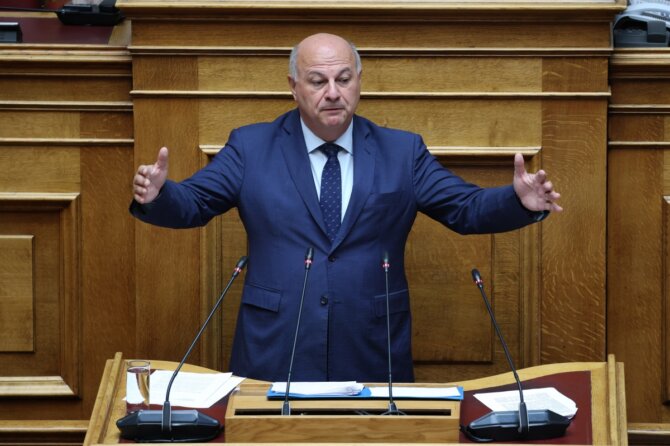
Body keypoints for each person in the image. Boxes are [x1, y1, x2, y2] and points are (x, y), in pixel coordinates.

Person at [130, 33, 562, 383]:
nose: (333, 93)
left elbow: (465, 208)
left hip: (371, 350)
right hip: (276, 348)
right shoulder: (251, 146)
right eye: (318, 81)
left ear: (359, 81)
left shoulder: (402, 151)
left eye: (344, 78)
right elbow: (195, 202)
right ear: (294, 87)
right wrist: (159, 195)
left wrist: (517, 201)